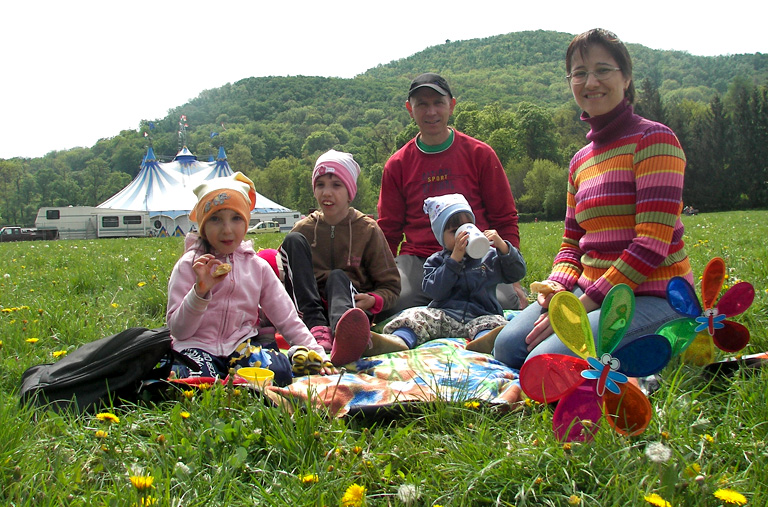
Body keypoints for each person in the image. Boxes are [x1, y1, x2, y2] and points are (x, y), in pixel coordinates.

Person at [469, 28, 694, 371]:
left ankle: (667, 343)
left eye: (603, 70)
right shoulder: (580, 160)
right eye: (579, 73)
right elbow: (572, 245)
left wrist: (582, 306)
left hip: (655, 295)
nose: (591, 82)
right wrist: (556, 291)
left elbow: (651, 244)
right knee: (508, 347)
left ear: (627, 77)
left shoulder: (654, 140)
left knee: (545, 364)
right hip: (592, 294)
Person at [376, 72, 526, 321]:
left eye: (438, 103)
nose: (431, 111)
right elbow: (388, 231)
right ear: (409, 109)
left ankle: (451, 310)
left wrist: (515, 282)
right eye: (421, 104)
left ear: (452, 105)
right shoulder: (397, 165)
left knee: (504, 302)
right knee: (395, 303)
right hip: (421, 259)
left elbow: (505, 218)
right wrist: (382, 284)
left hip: (477, 253)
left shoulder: (481, 154)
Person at [166, 172, 334, 383]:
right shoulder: (189, 266)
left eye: (236, 218)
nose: (227, 230)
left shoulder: (257, 267)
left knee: (279, 373)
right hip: (196, 345)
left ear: (246, 223)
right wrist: (199, 293)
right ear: (203, 225)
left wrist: (315, 351)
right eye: (215, 219)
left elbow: (286, 317)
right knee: (195, 378)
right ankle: (223, 380)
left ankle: (295, 357)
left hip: (240, 346)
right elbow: (179, 331)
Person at [277, 150, 402, 366]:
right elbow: (282, 274)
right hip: (309, 308)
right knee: (293, 241)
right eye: (320, 185)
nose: (327, 193)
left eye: (336, 185)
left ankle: (344, 336)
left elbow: (391, 286)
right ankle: (317, 328)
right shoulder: (304, 228)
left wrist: (373, 299)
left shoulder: (367, 229)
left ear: (349, 191)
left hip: (349, 304)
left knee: (337, 277)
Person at [371, 194, 526, 351]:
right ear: (441, 238)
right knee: (414, 316)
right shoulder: (436, 261)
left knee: (495, 324)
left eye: (469, 227)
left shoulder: (489, 256)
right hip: (445, 317)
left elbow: (517, 273)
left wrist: (504, 248)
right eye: (455, 232)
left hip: (481, 315)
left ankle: (484, 343)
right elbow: (434, 291)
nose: (464, 236)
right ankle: (399, 340)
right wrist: (453, 262)